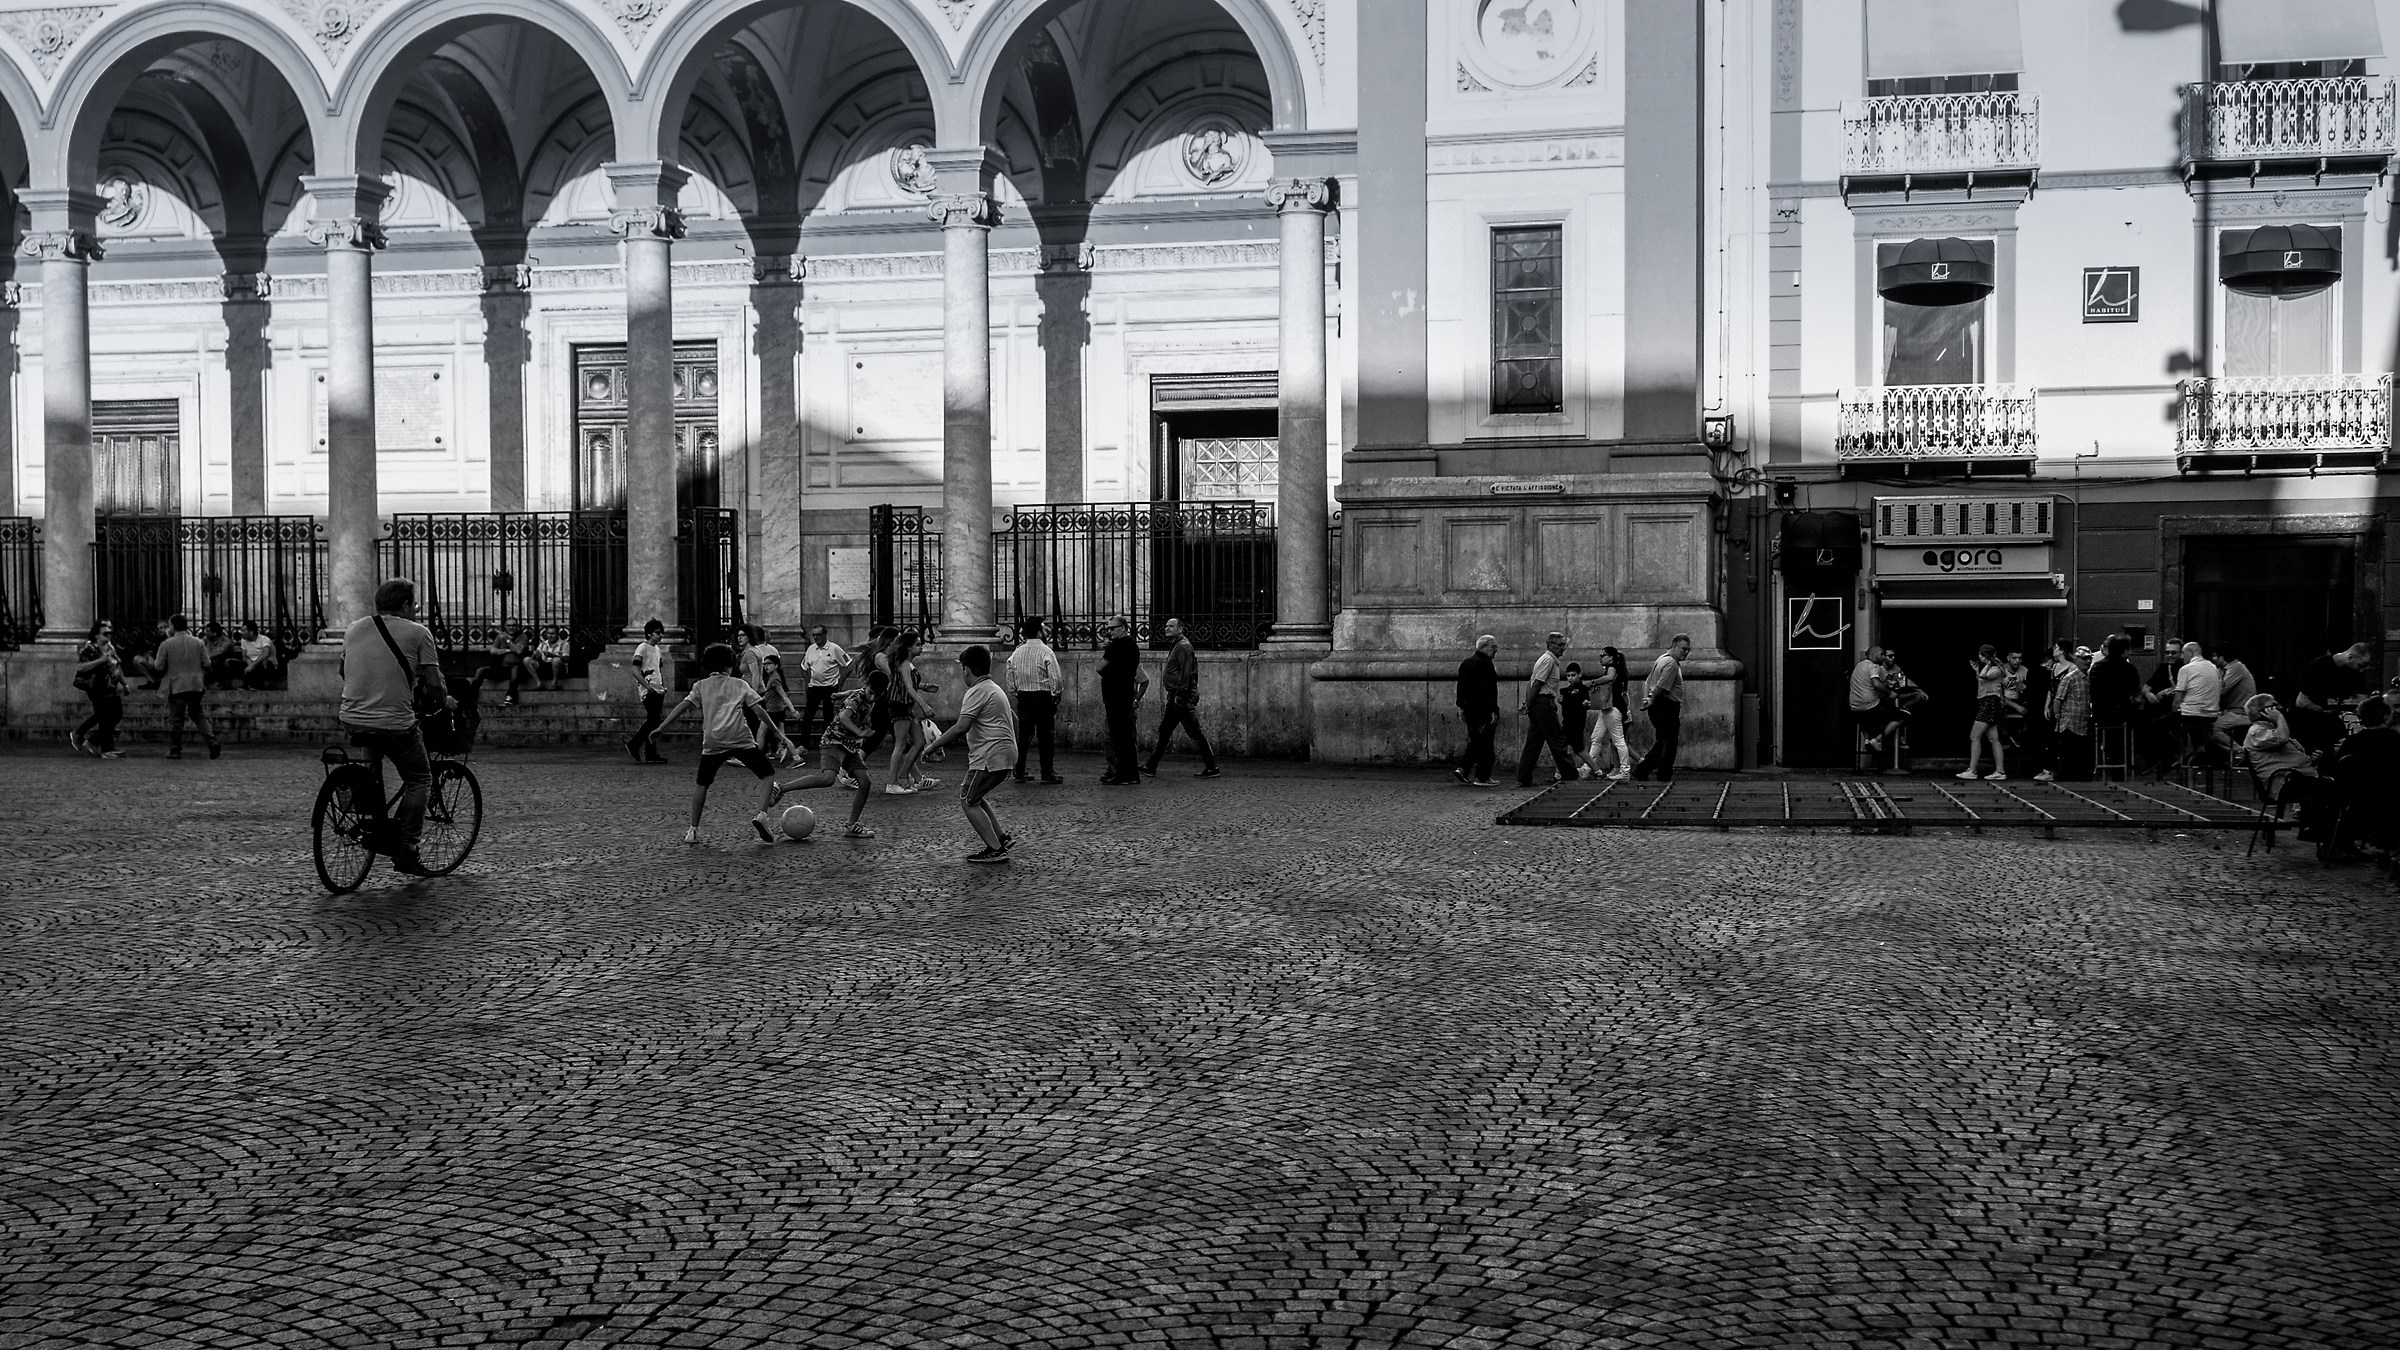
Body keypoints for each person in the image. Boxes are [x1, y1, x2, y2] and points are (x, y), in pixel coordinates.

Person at [338, 578, 452, 875]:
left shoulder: (354, 628)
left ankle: (375, 827)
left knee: (370, 771)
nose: (416, 610)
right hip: (395, 723)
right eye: (414, 605)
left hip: (352, 717)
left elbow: (343, 670)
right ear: (404, 606)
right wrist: (445, 701)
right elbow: (434, 682)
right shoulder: (419, 633)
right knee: (419, 778)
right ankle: (407, 850)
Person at [650, 641, 800, 845]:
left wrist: (662, 727)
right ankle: (762, 815)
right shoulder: (739, 684)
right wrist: (779, 735)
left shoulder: (700, 686)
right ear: (730, 665)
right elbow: (760, 712)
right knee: (767, 775)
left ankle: (693, 830)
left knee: (702, 785)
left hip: (713, 741)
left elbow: (682, 707)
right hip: (741, 738)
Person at [923, 644, 1021, 863]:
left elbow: (961, 726)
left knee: (968, 800)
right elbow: (1014, 719)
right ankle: (1001, 838)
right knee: (973, 795)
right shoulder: (994, 688)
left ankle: (995, 849)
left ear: (966, 670)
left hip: (989, 756)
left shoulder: (976, 691)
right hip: (998, 754)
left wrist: (932, 746)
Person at [760, 677, 879, 840]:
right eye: (871, 693)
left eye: (877, 695)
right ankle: (781, 788)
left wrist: (839, 695)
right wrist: (860, 733)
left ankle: (851, 825)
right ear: (867, 686)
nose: (872, 698)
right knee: (827, 779)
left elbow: (853, 691)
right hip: (834, 740)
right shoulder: (856, 700)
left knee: (865, 783)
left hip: (850, 746)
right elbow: (844, 718)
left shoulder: (862, 693)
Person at [1143, 616, 1221, 779]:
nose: (1167, 628)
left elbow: (1186, 673)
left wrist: (1180, 695)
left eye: (1171, 626)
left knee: (1195, 732)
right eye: (1166, 626)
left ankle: (1212, 767)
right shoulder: (1177, 645)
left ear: (1180, 629)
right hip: (1176, 696)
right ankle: (1151, 766)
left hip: (1181, 697)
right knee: (1164, 731)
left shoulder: (1183, 647)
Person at [1514, 631, 1583, 787]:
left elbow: (1531, 683)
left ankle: (1523, 777)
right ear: (1550, 645)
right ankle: (1571, 775)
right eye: (1560, 645)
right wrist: (1529, 705)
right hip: (1543, 704)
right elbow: (1537, 683)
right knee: (1557, 740)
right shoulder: (1548, 661)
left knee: (1533, 743)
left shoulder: (1544, 660)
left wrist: (1529, 704)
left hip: (1539, 703)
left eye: (1564, 645)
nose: (1563, 648)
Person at [154, 613, 220, 761]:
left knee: (176, 720)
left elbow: (158, 666)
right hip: (196, 684)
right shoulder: (198, 642)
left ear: (172, 627)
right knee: (197, 714)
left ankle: (175, 749)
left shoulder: (166, 644)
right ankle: (212, 740)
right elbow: (207, 663)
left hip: (176, 685)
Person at [1006, 616, 1064, 784]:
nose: (1046, 632)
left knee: (1023, 736)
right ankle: (1047, 773)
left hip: (1024, 696)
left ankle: (1019, 771)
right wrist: (1056, 693)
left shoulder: (1017, 652)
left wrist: (1015, 691)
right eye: (1044, 629)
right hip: (1043, 697)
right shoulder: (1046, 651)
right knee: (1045, 737)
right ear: (1039, 632)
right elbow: (1056, 677)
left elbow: (1010, 674)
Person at [1631, 633, 1692, 783]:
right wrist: (1651, 700)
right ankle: (1659, 774)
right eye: (1683, 649)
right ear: (1674, 646)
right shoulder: (1671, 664)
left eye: (1688, 649)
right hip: (1666, 706)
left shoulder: (1661, 659)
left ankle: (1643, 770)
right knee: (1668, 743)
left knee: (1663, 740)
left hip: (1659, 705)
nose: (1686, 652)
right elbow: (1661, 686)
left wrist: (1648, 699)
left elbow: (1648, 681)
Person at [882, 629, 936, 794]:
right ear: (908, 648)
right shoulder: (905, 664)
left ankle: (904, 775)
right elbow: (908, 687)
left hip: (905, 705)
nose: (921, 647)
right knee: (900, 744)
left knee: (919, 741)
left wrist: (925, 687)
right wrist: (924, 705)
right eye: (917, 645)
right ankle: (892, 782)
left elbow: (909, 684)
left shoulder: (907, 664)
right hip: (899, 704)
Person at [2294, 641, 2372, 753]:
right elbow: (2301, 702)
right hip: (2308, 723)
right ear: (2350, 657)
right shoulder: (2318, 666)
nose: (2362, 670)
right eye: (2361, 665)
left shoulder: (2355, 673)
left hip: (2333, 722)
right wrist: (2323, 711)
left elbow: (2363, 699)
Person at [2239, 693, 2318, 802]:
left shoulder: (2273, 728)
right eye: (2273, 705)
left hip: (2299, 777)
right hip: (2284, 783)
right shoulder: (2256, 731)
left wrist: (2311, 759)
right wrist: (2279, 718)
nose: (2279, 708)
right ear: (2261, 712)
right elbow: (2282, 739)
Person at [1098, 616, 1148, 785]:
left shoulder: (1116, 646)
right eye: (1108, 628)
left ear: (1123, 628)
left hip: (1114, 696)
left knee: (1118, 737)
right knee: (1127, 737)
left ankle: (1122, 775)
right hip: (1126, 694)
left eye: (1113, 628)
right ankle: (1132, 774)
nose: (1109, 631)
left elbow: (1099, 667)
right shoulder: (1133, 646)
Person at [71, 619, 128, 759]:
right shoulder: (89, 648)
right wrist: (100, 661)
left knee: (115, 714)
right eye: (105, 633)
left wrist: (124, 684)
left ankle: (86, 737)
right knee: (105, 717)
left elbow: (117, 667)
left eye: (110, 633)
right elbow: (81, 667)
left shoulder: (110, 647)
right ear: (96, 635)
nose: (109, 636)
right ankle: (105, 747)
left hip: (111, 687)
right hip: (97, 687)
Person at [1454, 634, 1500, 787]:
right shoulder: (1485, 664)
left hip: (1469, 709)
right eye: (1493, 647)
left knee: (1476, 741)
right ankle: (1482, 776)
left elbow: (1460, 687)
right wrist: (1494, 710)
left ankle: (1464, 769)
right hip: (1483, 710)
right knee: (1486, 744)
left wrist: (1461, 706)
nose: (1496, 650)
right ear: (1483, 647)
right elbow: (1489, 690)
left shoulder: (1466, 663)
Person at [623, 618, 672, 763]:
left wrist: (662, 686)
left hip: (657, 689)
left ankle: (650, 752)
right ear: (649, 633)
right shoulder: (642, 648)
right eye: (658, 632)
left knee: (655, 722)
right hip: (649, 690)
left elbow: (658, 670)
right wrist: (647, 686)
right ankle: (634, 744)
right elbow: (635, 670)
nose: (660, 635)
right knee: (652, 721)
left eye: (661, 633)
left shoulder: (657, 650)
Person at [2169, 640, 2223, 768]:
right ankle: (2198, 749)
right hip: (2212, 714)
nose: (2182, 657)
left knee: (2164, 724)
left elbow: (2177, 699)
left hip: (2191, 715)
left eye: (2183, 653)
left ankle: (2182, 755)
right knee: (2196, 729)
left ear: (2192, 652)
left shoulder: (2186, 669)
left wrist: (2173, 711)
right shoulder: (2213, 667)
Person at [1959, 643, 2009, 781]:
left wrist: (1987, 663)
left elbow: (1983, 677)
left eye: (1980, 655)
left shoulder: (1995, 669)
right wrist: (1977, 670)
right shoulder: (1991, 668)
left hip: (1990, 702)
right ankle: (2000, 771)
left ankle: (1972, 770)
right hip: (1986, 702)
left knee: (1974, 736)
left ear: (1984, 655)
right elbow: (1981, 681)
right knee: (1994, 738)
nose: (1978, 657)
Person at [797, 625, 851, 747]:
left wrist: (840, 681)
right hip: (814, 686)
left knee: (828, 715)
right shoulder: (811, 649)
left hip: (829, 686)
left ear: (825, 635)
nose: (816, 637)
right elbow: (803, 666)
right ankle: (803, 744)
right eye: (814, 635)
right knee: (808, 716)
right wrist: (807, 682)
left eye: (818, 635)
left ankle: (827, 741)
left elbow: (849, 664)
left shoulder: (834, 649)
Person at [2045, 645, 2092, 782]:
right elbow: (2058, 699)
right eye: (2084, 659)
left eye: (2089, 659)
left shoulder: (2089, 677)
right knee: (2067, 755)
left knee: (2081, 756)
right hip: (2069, 723)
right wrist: (2058, 718)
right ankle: (2064, 780)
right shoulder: (2070, 678)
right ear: (2077, 660)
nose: (2087, 662)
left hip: (2084, 722)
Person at [1585, 646, 1634, 779]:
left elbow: (1609, 677)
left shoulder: (1612, 668)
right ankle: (1589, 766)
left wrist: (1593, 682)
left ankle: (1624, 771)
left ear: (1611, 657)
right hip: (1609, 707)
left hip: (1613, 707)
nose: (1600, 658)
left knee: (1617, 739)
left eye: (1603, 655)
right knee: (1597, 737)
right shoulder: (1617, 668)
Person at [1849, 644, 1901, 754]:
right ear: (1875, 654)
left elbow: (1868, 685)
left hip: (1855, 709)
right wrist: (1889, 692)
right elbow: (1876, 684)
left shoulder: (1859, 665)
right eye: (1882, 654)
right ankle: (1877, 740)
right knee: (1901, 716)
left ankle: (1867, 740)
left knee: (1863, 720)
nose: (1883, 657)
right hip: (1870, 708)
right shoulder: (1874, 666)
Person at [237, 619, 279, 689]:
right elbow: (244, 656)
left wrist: (253, 665)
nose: (241, 633)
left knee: (264, 663)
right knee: (231, 663)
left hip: (265, 665)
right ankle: (248, 684)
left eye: (244, 631)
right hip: (251, 663)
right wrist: (248, 662)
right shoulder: (244, 640)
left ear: (251, 632)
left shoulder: (264, 640)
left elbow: (265, 655)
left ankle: (255, 684)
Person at [202, 622, 243, 689]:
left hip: (222, 665)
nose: (205, 632)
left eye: (207, 631)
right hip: (208, 664)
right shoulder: (205, 639)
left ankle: (222, 684)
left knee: (218, 661)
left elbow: (219, 652)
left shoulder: (226, 642)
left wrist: (205, 658)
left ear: (214, 633)